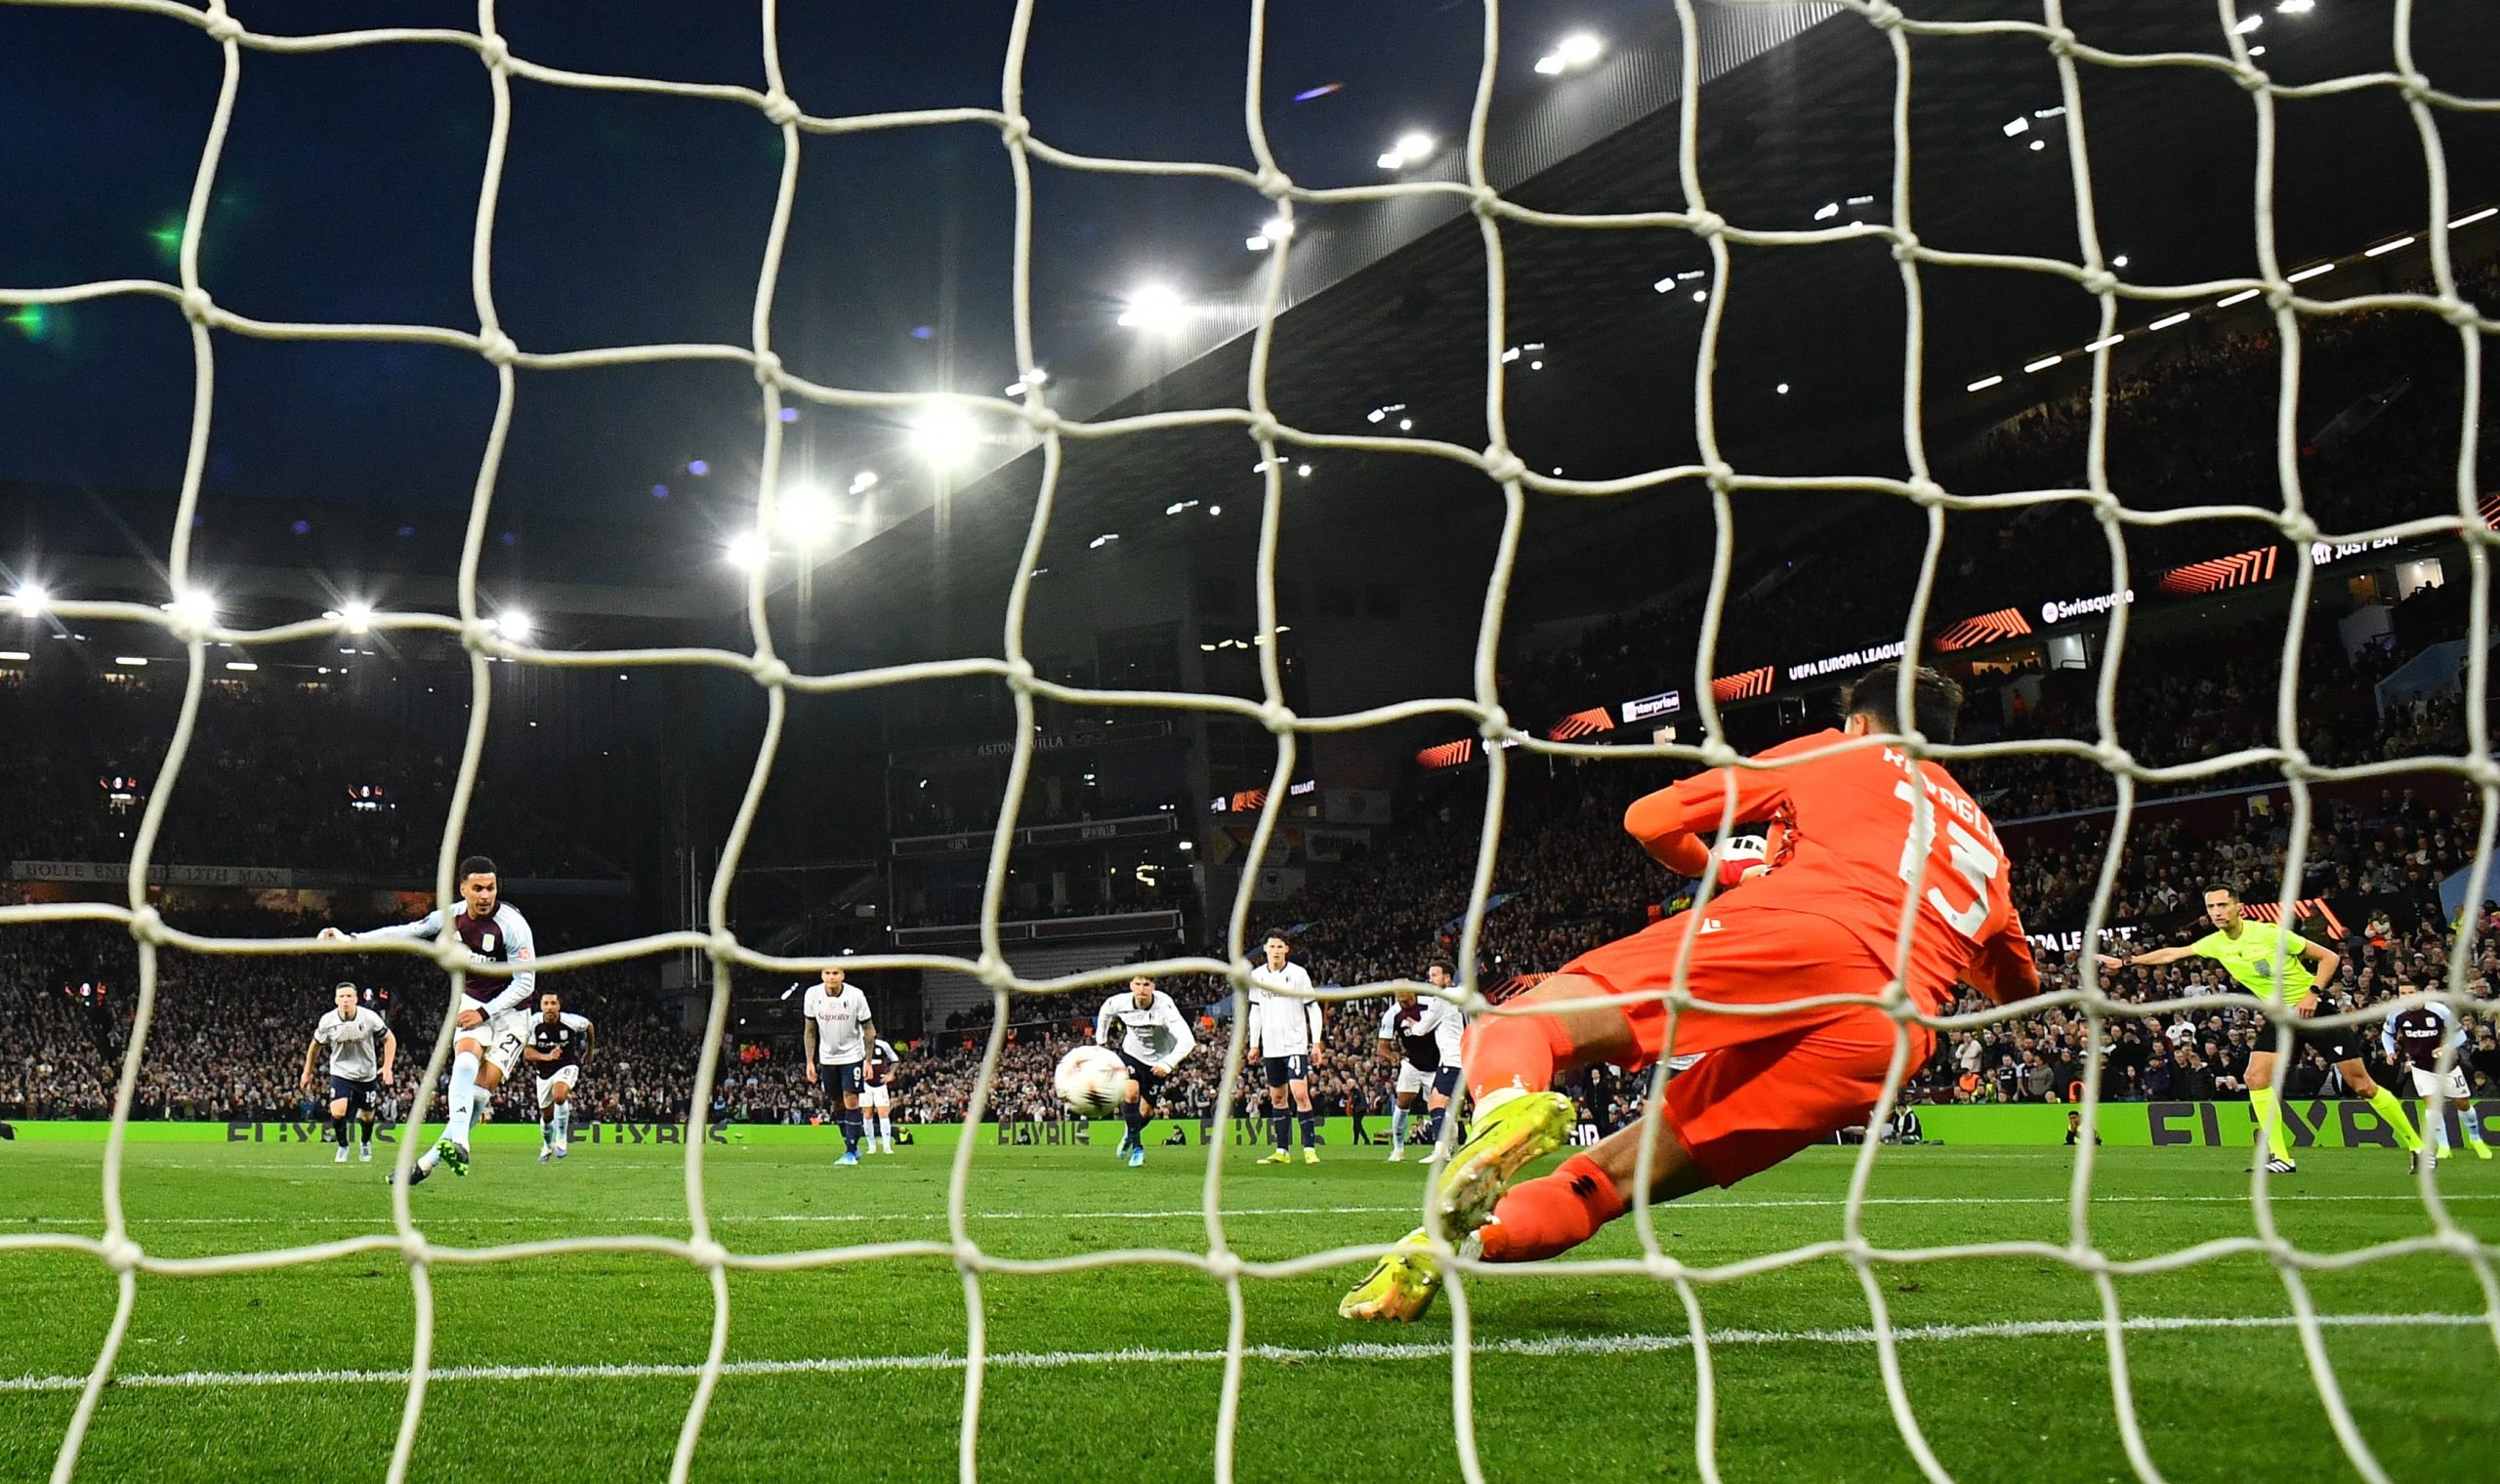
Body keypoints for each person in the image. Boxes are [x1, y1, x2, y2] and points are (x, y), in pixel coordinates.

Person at [1342, 664, 2039, 1321]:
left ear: (1859, 723)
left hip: (1801, 929)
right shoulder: (1987, 846)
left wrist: (1729, 877)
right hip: (1890, 1030)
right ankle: (1454, 1249)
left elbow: (1649, 819)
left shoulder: (1838, 752)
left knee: (1532, 1018)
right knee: (1606, 1184)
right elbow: (2012, 985)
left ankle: (1504, 1108)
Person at [2099, 886, 2422, 1173]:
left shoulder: (2269, 934)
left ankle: (2418, 1146)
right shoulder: (2215, 943)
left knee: (2361, 1084)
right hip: (2280, 1016)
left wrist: (2313, 994)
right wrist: (2127, 962)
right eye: (2211, 907)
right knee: (2255, 1077)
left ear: (2238, 907)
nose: (2216, 912)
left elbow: (2328, 958)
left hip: (2314, 1009)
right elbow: (2172, 954)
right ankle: (2281, 1156)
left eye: (2222, 905)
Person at [322, 856, 534, 1184]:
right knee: (464, 1062)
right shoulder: (453, 916)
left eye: (490, 888)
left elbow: (525, 983)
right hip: (474, 999)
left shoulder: (513, 926)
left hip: (512, 1013)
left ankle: (425, 1164)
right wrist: (352, 939)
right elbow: (409, 932)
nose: (485, 895)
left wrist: (484, 1013)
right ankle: (460, 1141)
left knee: (479, 1094)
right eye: (477, 888)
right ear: (463, 889)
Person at [2381, 986, 2493, 1169]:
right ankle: (2444, 1146)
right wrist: (2390, 1052)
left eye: (2411, 993)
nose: (2407, 997)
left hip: (2446, 1066)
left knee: (2462, 1103)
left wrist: (2445, 1048)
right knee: (2432, 1105)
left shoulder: (2438, 1010)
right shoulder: (2396, 1014)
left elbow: (2460, 1035)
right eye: (2403, 993)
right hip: (2420, 1068)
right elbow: (2387, 1033)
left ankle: (2476, 1140)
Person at [1095, 973, 1197, 1168]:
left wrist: (1168, 1063)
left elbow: (1188, 1040)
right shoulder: (1120, 1002)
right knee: (1131, 1094)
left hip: (1158, 1062)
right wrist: (1101, 1041)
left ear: (1153, 987)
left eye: (1146, 984)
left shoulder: (1164, 1006)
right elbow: (1105, 1011)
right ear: (1131, 985)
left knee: (1147, 1112)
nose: (1142, 989)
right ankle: (1137, 1148)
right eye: (1138, 984)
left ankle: (1130, 1133)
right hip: (1132, 1054)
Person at [1246, 931, 1326, 1166]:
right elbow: (1256, 1011)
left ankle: (1309, 1149)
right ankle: (1282, 1150)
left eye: (1280, 946)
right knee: (1278, 1097)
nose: (1276, 950)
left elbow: (1313, 1007)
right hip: (1271, 1047)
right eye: (1272, 946)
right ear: (1265, 949)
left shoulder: (1298, 974)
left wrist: (1316, 1042)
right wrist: (1254, 1044)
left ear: (1286, 949)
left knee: (1300, 1093)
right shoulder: (1257, 975)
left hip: (1294, 1045)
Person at [1378, 961, 1464, 1163]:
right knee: (1403, 1102)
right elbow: (1382, 1046)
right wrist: (1393, 1056)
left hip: (1439, 1062)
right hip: (1413, 1064)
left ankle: (1447, 1148)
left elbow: (1423, 1028)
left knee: (1441, 1106)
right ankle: (1398, 1148)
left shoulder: (1432, 1001)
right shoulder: (1392, 1014)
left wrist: (1415, 1026)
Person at [299, 982, 395, 1164]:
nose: (345, 1000)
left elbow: (389, 1039)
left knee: (367, 1116)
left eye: (349, 996)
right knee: (337, 1112)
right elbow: (314, 1047)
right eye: (341, 996)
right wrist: (307, 1072)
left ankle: (365, 1142)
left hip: (366, 1073)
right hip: (340, 1072)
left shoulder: (369, 1018)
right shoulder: (327, 1021)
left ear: (356, 999)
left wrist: (387, 1066)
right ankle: (343, 1146)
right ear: (336, 1000)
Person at [803, 967, 877, 1166]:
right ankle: (850, 1145)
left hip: (852, 1055)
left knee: (851, 1099)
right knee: (837, 1103)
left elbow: (869, 1030)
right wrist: (810, 1061)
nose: (831, 977)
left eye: (835, 973)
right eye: (827, 973)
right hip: (827, 1058)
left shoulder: (855, 995)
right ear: (822, 975)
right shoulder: (812, 994)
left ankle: (851, 1151)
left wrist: (868, 1061)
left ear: (842, 976)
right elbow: (809, 1031)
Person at [521, 991, 594, 1163]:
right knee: (546, 1117)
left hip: (567, 1065)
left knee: (560, 1095)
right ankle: (547, 1146)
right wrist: (547, 1057)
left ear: (559, 1006)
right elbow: (527, 1053)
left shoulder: (571, 1021)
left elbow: (589, 1026)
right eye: (546, 1003)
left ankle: (562, 1138)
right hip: (544, 1073)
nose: (549, 1007)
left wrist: (590, 1051)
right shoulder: (533, 1023)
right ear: (541, 1006)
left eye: (553, 1003)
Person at [861, 1036, 899, 1155]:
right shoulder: (858, 1047)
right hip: (864, 1085)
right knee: (867, 1114)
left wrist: (890, 1074)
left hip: (880, 1085)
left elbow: (895, 1060)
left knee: (883, 1113)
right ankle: (871, 1146)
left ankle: (887, 1146)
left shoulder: (882, 1045)